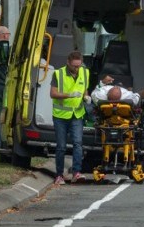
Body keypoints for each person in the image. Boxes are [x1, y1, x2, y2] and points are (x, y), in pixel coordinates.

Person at [50, 51, 91, 185]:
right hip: (60, 115)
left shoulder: (85, 72)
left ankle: (76, 173)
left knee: (78, 144)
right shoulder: (58, 73)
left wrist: (86, 96)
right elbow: (53, 93)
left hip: (77, 114)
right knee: (61, 146)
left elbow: (84, 88)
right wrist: (69, 95)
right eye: (74, 66)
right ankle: (59, 175)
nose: (77, 69)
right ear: (68, 62)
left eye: (79, 66)